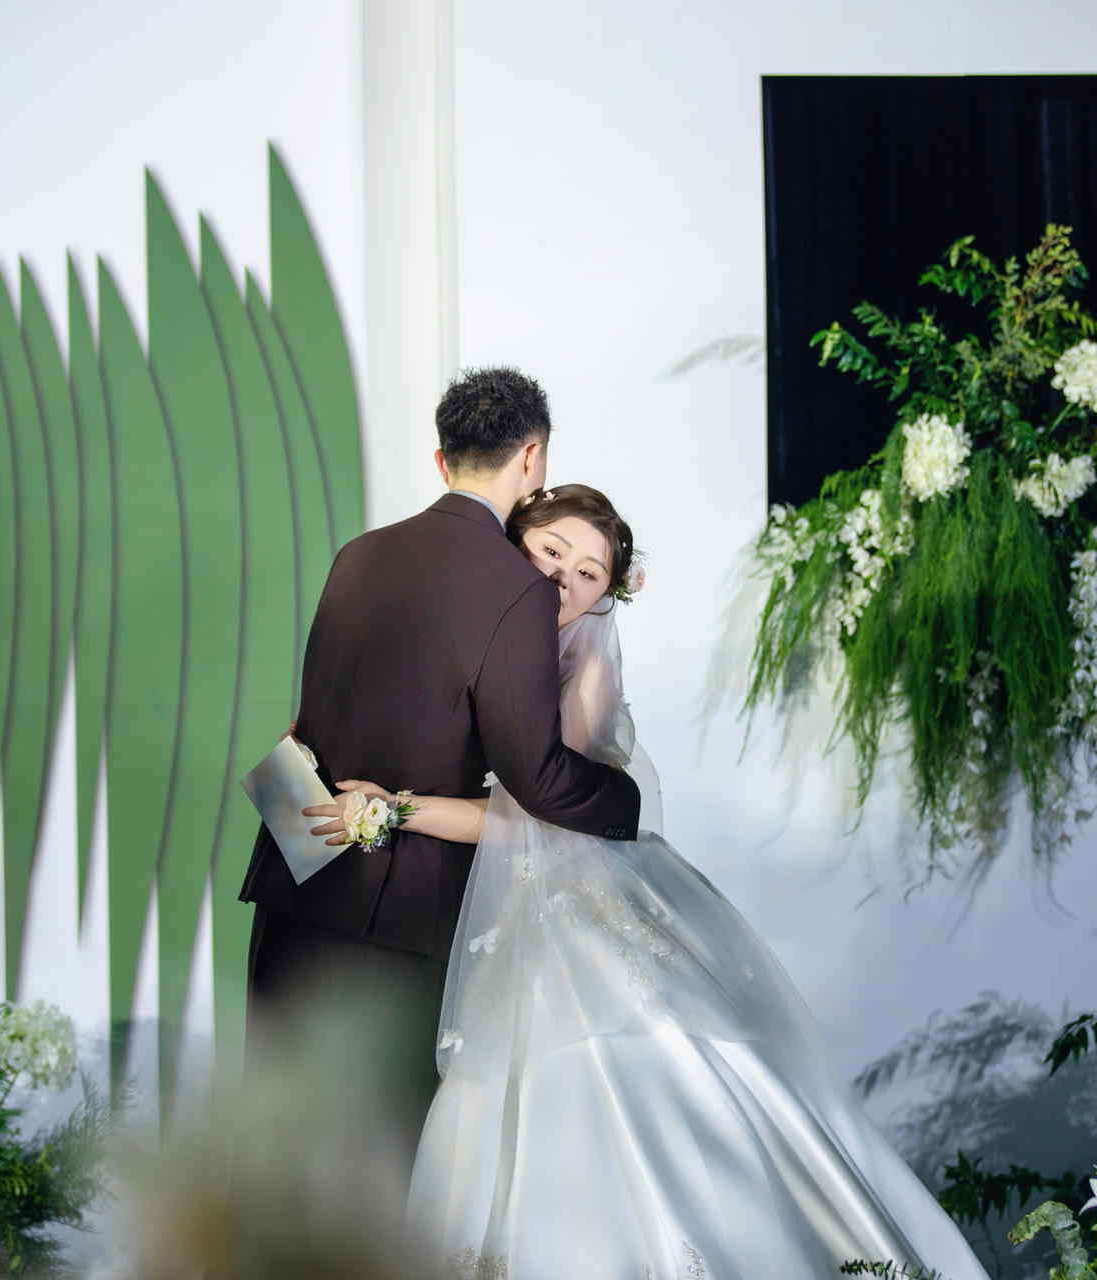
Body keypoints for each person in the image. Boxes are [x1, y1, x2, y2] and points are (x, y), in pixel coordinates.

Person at [304, 485, 992, 1280]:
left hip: (572, 908)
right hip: (499, 912)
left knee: (643, 1078)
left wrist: (398, 810)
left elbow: (533, 817)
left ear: (607, 592)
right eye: (551, 552)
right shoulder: (484, 635)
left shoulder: (584, 673)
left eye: (588, 573)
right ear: (516, 543)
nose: (562, 580)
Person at [236, 369, 641, 1161]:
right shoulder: (517, 590)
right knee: (378, 1171)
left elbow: (314, 718)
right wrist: (621, 800)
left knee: (272, 1154)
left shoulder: (358, 554)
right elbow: (539, 777)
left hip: (293, 877)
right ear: (533, 457)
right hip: (396, 919)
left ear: (441, 458)